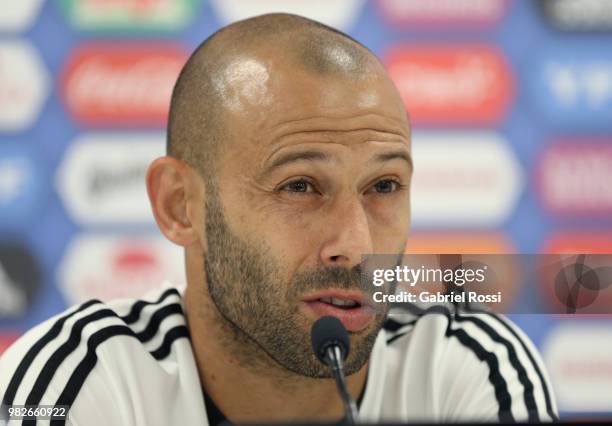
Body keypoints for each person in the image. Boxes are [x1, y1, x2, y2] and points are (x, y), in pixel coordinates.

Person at [0, 13, 557, 425]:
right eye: (300, 186)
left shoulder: (468, 366)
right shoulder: (75, 380)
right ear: (178, 206)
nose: (356, 245)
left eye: (383, 186)